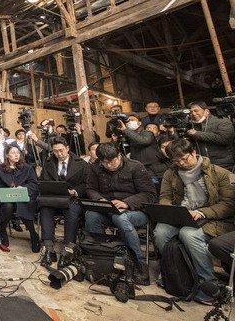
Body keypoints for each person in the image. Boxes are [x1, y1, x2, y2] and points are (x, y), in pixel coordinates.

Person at [153, 139, 235, 304]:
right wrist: (172, 211)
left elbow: (228, 205)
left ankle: (209, 284)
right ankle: (180, 273)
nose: (182, 163)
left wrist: (201, 212)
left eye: (185, 158)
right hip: (182, 214)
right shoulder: (171, 173)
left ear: (194, 153)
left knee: (189, 234)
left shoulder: (218, 173)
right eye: (177, 161)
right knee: (160, 232)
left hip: (211, 216)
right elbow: (165, 197)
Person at [85, 142, 157, 285]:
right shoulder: (95, 168)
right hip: (108, 208)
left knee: (121, 218)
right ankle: (101, 257)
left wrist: (127, 202)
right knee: (91, 215)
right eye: (104, 163)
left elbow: (149, 194)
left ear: (119, 155)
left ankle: (139, 263)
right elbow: (90, 188)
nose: (108, 166)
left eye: (111, 162)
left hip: (135, 210)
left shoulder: (135, 167)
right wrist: (99, 199)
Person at [39, 137, 88, 267]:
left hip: (72, 199)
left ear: (67, 148)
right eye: (55, 151)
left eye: (61, 151)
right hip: (54, 198)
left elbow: (87, 183)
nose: (59, 154)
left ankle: (68, 249)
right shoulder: (49, 163)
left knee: (72, 211)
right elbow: (42, 181)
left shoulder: (81, 164)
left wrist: (76, 191)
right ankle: (49, 248)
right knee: (45, 209)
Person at [0, 144, 39, 251]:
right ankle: (3, 230)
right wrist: (10, 189)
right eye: (13, 153)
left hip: (23, 196)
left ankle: (33, 233)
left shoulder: (27, 168)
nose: (16, 155)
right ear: (7, 155)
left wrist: (23, 188)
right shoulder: (0, 169)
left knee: (22, 204)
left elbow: (33, 184)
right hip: (7, 197)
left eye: (18, 153)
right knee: (8, 205)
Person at [187, 101, 235, 171]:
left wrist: (197, 133)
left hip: (224, 165)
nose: (193, 114)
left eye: (196, 111)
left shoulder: (222, 121)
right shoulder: (192, 126)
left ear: (207, 111)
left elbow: (224, 139)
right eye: (191, 112)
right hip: (204, 166)